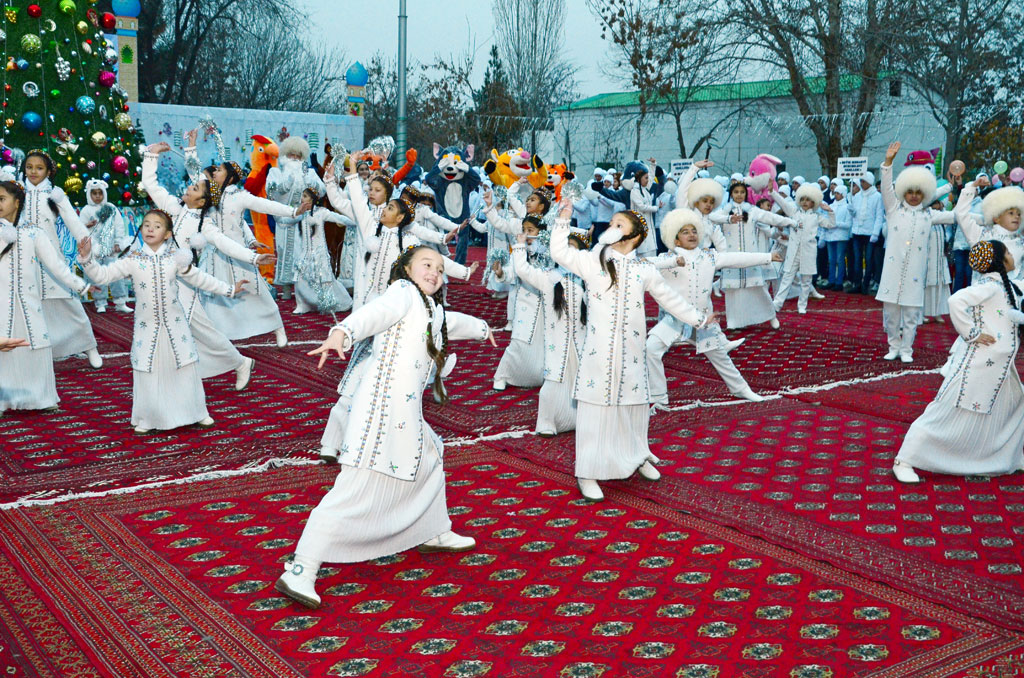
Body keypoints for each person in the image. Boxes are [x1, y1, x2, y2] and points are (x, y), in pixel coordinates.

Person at [275, 246, 496, 609]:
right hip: (380, 415)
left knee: (431, 455)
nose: (435, 273)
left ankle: (435, 530)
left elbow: (451, 322)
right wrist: (341, 333)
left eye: (440, 269)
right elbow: (373, 315)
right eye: (427, 265)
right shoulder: (402, 294)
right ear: (406, 269)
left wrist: (482, 327)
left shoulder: (430, 307)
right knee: (352, 491)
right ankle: (301, 570)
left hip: (407, 414)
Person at [550, 204, 714, 502]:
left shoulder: (644, 269)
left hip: (632, 354)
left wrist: (698, 319)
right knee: (596, 410)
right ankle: (587, 471)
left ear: (636, 236)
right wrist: (563, 220)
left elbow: (669, 298)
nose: (612, 226)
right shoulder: (593, 261)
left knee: (633, 407)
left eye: (619, 224)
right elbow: (560, 253)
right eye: (610, 222)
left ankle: (637, 455)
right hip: (599, 356)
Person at [77, 210, 247, 433]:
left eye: (156, 226)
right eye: (146, 224)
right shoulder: (133, 259)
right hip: (147, 328)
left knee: (184, 363)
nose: (150, 229)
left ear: (167, 234)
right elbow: (102, 275)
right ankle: (149, 417)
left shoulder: (176, 258)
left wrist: (229, 289)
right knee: (148, 366)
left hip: (176, 326)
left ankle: (196, 412)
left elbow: (199, 278)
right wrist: (87, 259)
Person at [892, 240, 1024, 483]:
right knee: (944, 411)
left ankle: (1011, 456)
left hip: (1002, 368)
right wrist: (971, 333)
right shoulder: (991, 286)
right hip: (980, 365)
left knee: (1016, 405)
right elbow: (956, 301)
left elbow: (1008, 314)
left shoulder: (1008, 286)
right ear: (1000, 260)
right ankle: (905, 459)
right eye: (1007, 251)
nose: (1012, 254)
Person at [141, 142, 262, 390]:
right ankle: (239, 363)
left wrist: (254, 258)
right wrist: (151, 155)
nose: (188, 186)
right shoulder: (173, 208)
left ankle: (178, 380)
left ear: (203, 200)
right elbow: (151, 185)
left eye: (195, 187)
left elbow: (226, 244)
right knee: (203, 332)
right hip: (166, 283)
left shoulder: (203, 225)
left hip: (186, 286)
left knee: (197, 333)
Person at [647, 208, 782, 406]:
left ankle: (741, 389)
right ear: (675, 240)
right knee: (651, 348)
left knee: (720, 357)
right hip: (675, 319)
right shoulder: (668, 258)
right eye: (685, 232)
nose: (691, 235)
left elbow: (737, 259)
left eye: (694, 231)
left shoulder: (709, 257)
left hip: (702, 320)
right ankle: (658, 396)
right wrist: (672, 261)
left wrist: (767, 257)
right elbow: (642, 263)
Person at [0, 179, 88, 412]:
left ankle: (41, 398)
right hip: (1, 306)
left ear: (17, 202)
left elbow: (57, 266)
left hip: (29, 305)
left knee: (34, 345)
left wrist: (82, 286)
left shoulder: (33, 233)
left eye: (1, 199)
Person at [205, 160, 301, 347]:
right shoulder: (210, 196)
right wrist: (191, 147)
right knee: (216, 294)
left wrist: (293, 211)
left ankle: (278, 327)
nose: (215, 172)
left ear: (230, 176)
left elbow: (265, 206)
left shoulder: (240, 196)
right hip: (216, 255)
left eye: (219, 170)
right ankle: (220, 337)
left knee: (257, 294)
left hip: (240, 255)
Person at [21, 150, 102, 368]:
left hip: (52, 258)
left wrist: (85, 244)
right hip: (24, 258)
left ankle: (89, 346)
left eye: (39, 168)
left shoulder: (55, 194)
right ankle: (41, 351)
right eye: (29, 167)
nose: (34, 172)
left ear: (48, 171)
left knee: (68, 302)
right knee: (31, 304)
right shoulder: (18, 191)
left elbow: (73, 222)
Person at [875, 141, 948, 362]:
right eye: (910, 192)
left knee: (910, 315)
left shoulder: (929, 216)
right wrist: (888, 163)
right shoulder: (893, 210)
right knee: (891, 314)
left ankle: (907, 349)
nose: (914, 196)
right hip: (892, 274)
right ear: (904, 192)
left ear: (924, 193)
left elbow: (958, 217)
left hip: (915, 277)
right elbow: (886, 188)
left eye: (918, 192)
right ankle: (893, 346)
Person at [510, 229, 587, 436]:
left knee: (584, 380)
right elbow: (523, 270)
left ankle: (583, 419)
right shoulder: (548, 278)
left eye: (573, 249)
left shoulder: (589, 277)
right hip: (557, 343)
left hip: (583, 342)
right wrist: (519, 247)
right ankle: (547, 421)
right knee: (553, 381)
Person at [266, 136, 327, 301]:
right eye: (291, 155)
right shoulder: (276, 172)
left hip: (304, 221)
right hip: (284, 218)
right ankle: (286, 288)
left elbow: (321, 191)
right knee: (284, 251)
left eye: (298, 155)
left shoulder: (310, 172)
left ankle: (303, 290)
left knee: (303, 254)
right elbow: (271, 193)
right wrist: (286, 183)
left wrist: (312, 184)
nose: (294, 159)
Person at [772, 184, 835, 313]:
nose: (805, 202)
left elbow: (831, 224)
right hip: (793, 251)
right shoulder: (794, 212)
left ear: (814, 202)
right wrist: (772, 192)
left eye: (808, 200)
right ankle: (777, 304)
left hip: (808, 252)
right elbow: (782, 203)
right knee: (787, 278)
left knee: (806, 280)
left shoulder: (817, 217)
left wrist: (830, 211)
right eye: (802, 199)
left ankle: (802, 306)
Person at [294, 188, 354, 314]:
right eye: (302, 195)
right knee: (300, 278)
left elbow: (338, 218)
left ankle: (337, 302)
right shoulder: (300, 212)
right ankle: (303, 304)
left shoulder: (321, 212)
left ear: (312, 199)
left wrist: (355, 222)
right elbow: (287, 219)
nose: (302, 198)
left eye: (305, 196)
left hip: (319, 252)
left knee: (325, 279)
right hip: (304, 252)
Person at [79, 179, 133, 313]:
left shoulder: (111, 208)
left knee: (116, 274)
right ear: (89, 195)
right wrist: (87, 226)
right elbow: (79, 229)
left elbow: (119, 226)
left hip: (110, 249)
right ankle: (100, 302)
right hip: (95, 250)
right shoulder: (86, 210)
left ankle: (120, 301)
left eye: (100, 193)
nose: (97, 196)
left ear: (104, 193)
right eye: (94, 193)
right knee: (97, 276)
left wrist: (117, 243)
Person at [848, 171, 885, 294]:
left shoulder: (877, 196)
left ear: (869, 182)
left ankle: (866, 284)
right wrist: (852, 211)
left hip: (870, 233)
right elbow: (855, 215)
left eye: (863, 181)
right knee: (857, 259)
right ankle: (857, 283)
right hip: (857, 232)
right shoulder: (857, 196)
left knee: (869, 260)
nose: (861, 183)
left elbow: (879, 216)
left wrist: (875, 233)